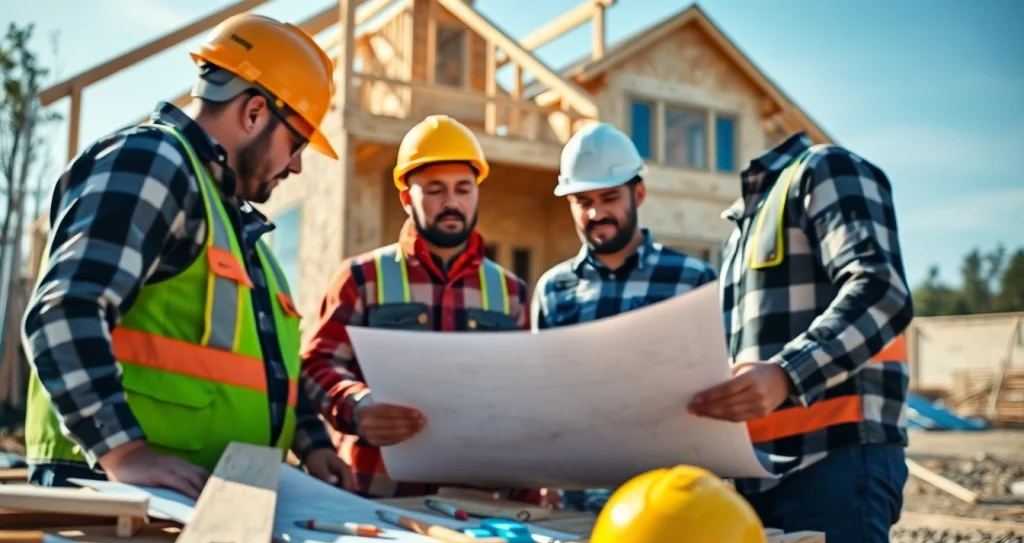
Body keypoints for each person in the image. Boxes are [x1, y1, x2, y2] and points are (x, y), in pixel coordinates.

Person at [21, 14, 346, 499]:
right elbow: (63, 311)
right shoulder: (152, 160)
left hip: (194, 498)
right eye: (296, 143)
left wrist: (314, 444)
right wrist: (122, 451)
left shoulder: (235, 225)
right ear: (254, 112)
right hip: (112, 493)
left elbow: (268, 371)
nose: (297, 165)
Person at [688, 131, 914, 543]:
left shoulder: (825, 168)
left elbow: (882, 291)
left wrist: (786, 373)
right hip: (759, 474)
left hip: (836, 459)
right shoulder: (740, 230)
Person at [301, 115, 540, 503]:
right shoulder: (361, 278)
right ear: (405, 197)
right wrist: (358, 406)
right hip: (374, 496)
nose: (451, 202)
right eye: (434, 189)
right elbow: (316, 364)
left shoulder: (511, 293)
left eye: (463, 189)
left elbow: (526, 397)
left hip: (476, 502)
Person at [531, 122, 718, 512]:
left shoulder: (693, 280)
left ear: (640, 193)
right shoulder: (553, 290)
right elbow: (543, 398)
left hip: (670, 499)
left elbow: (714, 394)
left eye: (609, 197)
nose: (597, 212)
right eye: (583, 201)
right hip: (575, 502)